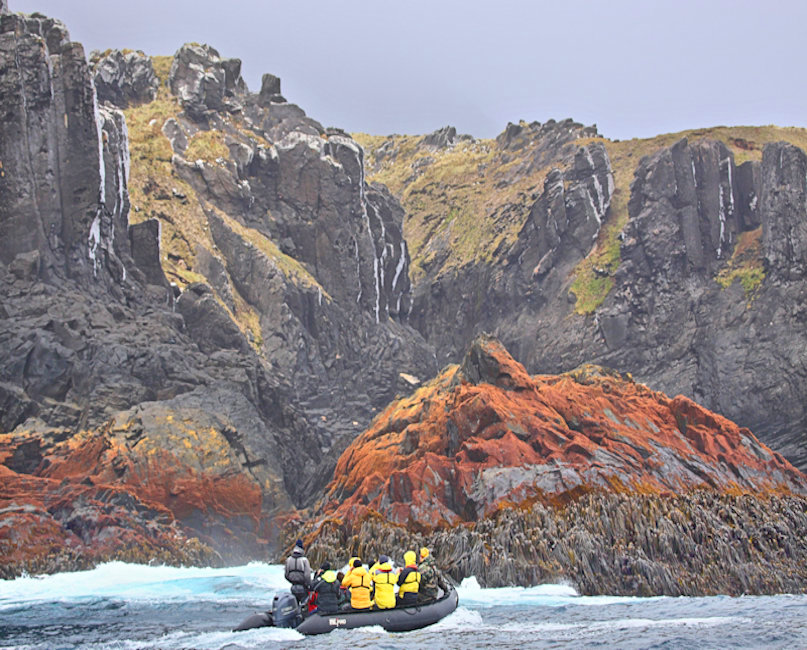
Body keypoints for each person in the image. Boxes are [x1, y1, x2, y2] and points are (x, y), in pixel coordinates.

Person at [284, 539, 312, 604]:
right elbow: (307, 576)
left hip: (293, 587)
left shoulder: (288, 560)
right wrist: (309, 586)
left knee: (295, 605)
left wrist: (292, 581)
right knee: (304, 606)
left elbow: (286, 575)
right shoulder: (304, 560)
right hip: (303, 588)